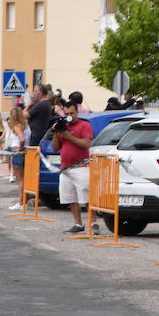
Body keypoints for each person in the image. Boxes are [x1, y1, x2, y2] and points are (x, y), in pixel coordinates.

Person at [51, 97, 97, 234]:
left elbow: (86, 144)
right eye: (67, 114)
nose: (69, 116)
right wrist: (56, 133)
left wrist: (69, 136)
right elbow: (55, 148)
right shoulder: (63, 127)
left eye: (72, 113)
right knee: (70, 197)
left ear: (77, 112)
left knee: (86, 197)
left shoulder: (84, 125)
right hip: (66, 168)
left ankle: (94, 223)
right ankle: (78, 223)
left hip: (81, 167)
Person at [5, 103, 27, 184]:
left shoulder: (17, 126)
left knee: (20, 180)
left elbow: (22, 139)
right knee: (24, 179)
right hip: (26, 152)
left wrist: (19, 149)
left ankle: (21, 193)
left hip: (18, 152)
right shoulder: (26, 125)